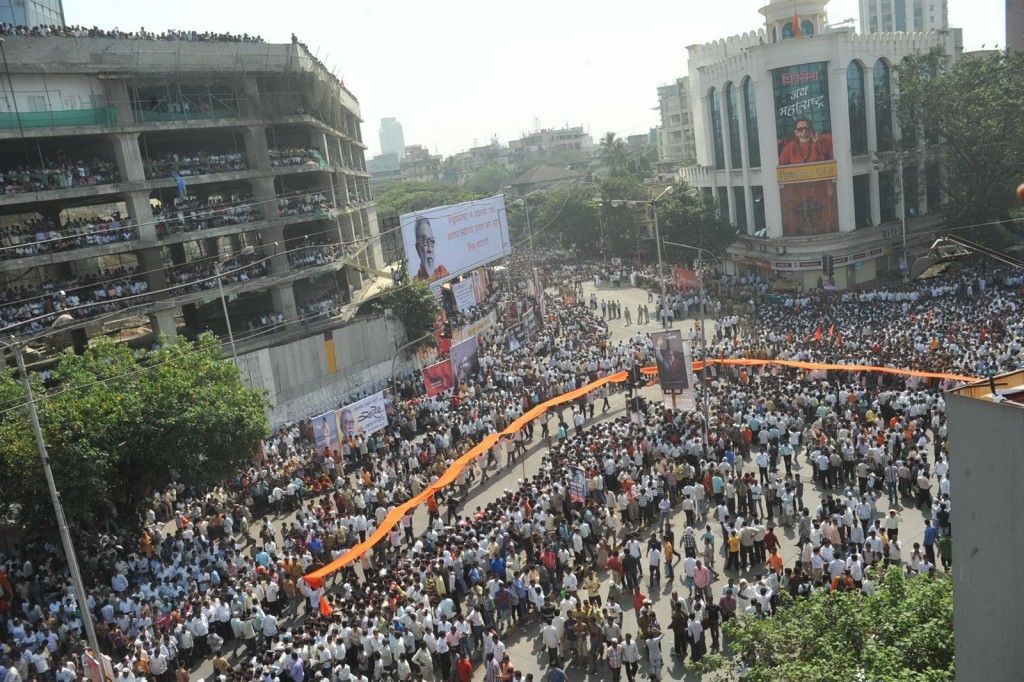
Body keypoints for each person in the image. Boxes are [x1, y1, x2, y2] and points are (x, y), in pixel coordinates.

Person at [413, 217, 449, 281]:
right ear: (417, 249)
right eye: (424, 242)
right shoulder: (416, 282)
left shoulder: (442, 272)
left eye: (432, 242)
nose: (430, 249)